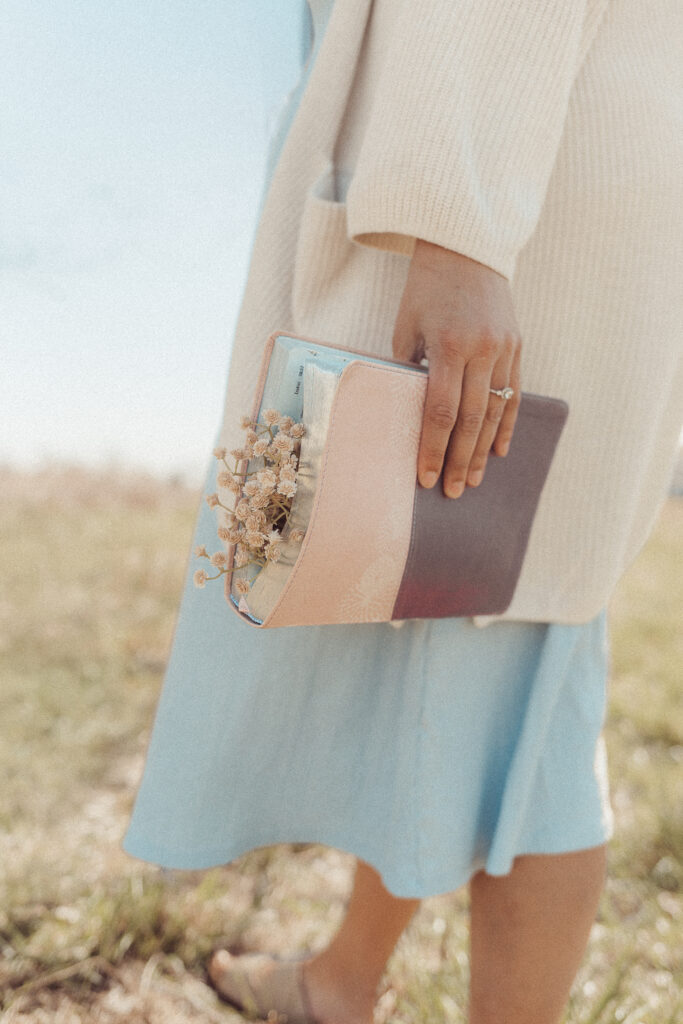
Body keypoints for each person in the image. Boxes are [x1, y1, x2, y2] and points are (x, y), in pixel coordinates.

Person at [123, 1, 683, 1022]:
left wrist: (457, 230)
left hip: (506, 185)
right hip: (536, 158)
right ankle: (341, 977)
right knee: (451, 645)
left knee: (518, 694)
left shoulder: (465, 210)